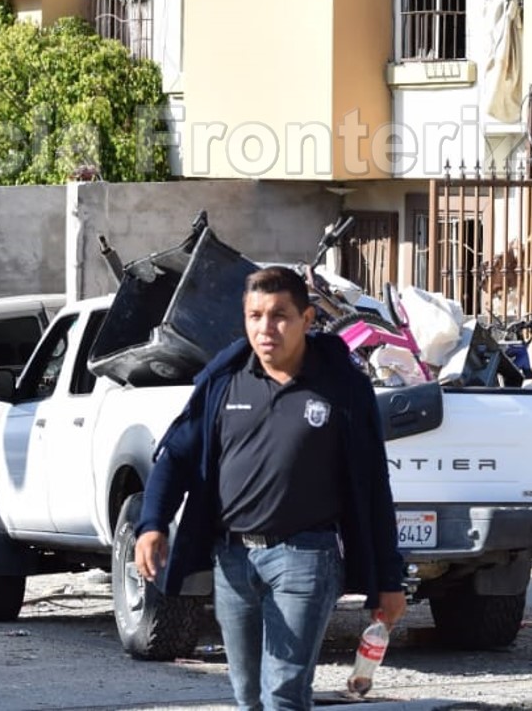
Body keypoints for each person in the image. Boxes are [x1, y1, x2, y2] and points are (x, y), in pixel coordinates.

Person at [135, 265, 406, 711]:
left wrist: (389, 581)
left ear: (307, 319)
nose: (266, 328)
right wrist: (152, 523)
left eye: (280, 315)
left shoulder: (342, 388)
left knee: (283, 694)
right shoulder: (224, 382)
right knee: (248, 695)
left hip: (306, 557)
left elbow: (374, 486)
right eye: (255, 315)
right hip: (232, 559)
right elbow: (177, 456)